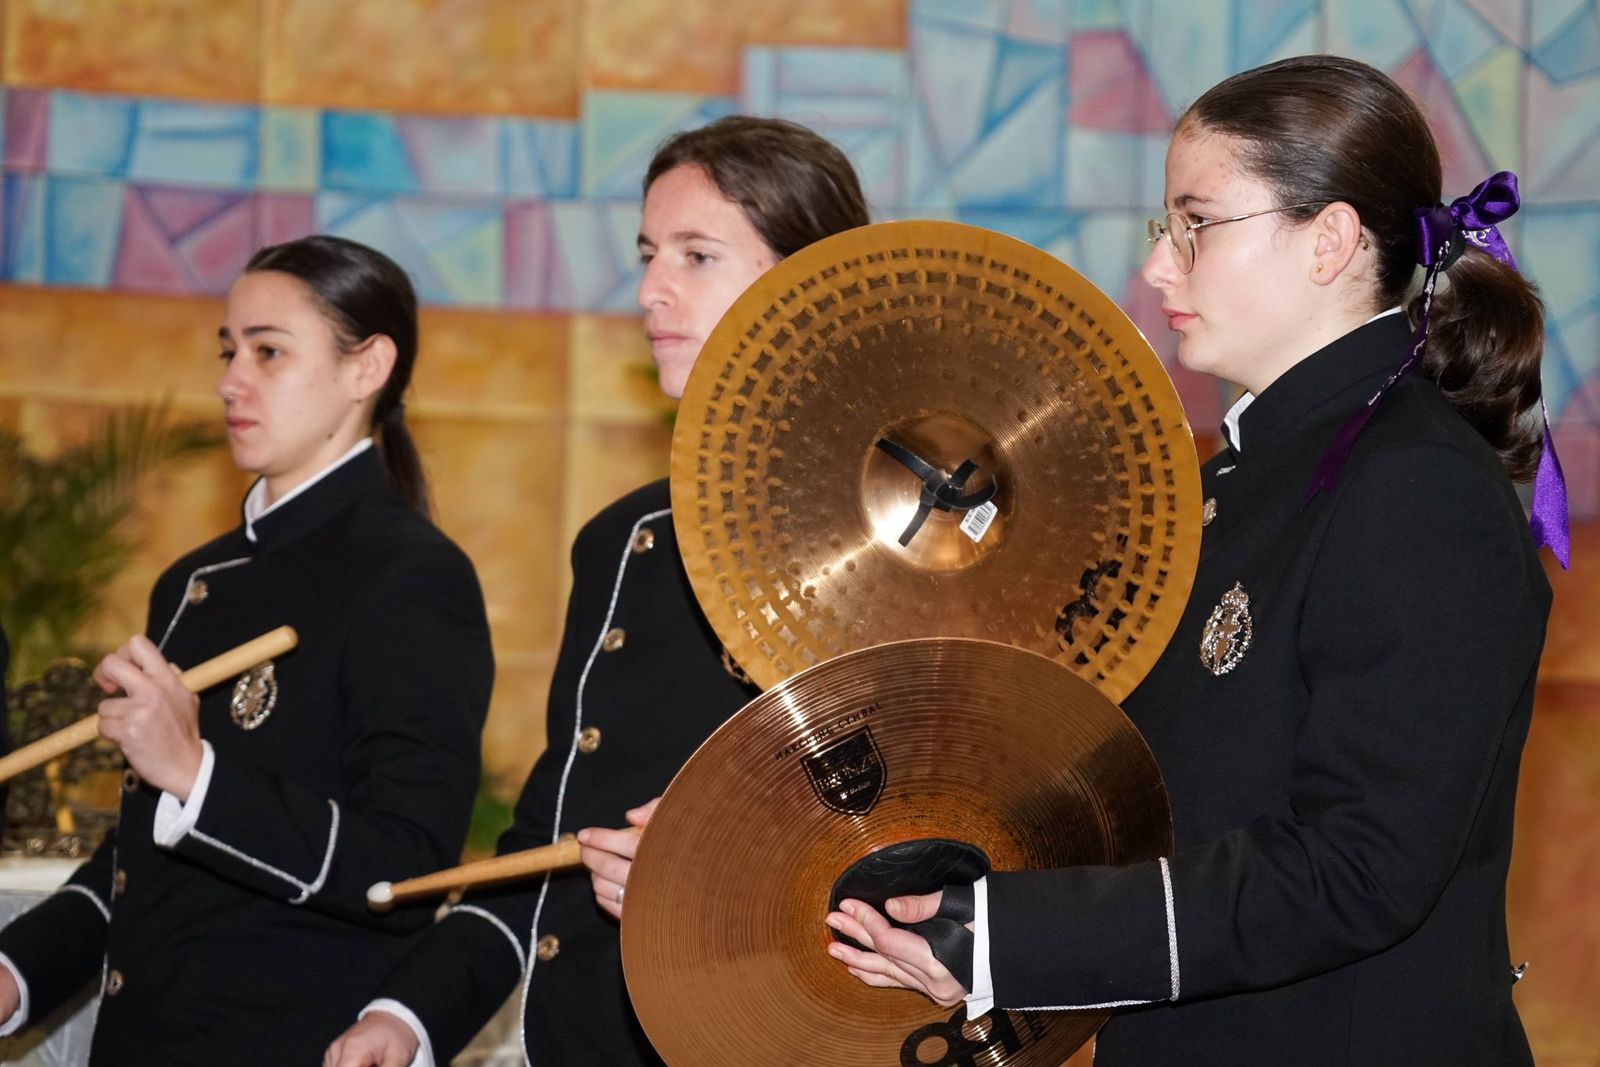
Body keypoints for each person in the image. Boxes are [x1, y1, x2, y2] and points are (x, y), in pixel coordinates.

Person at [827, 54, 1562, 1065]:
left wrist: (1009, 936)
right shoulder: (1229, 483)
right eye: (1160, 230)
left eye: (1196, 224)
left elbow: (1359, 867)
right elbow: (1152, 792)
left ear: (1330, 240)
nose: (1158, 268)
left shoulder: (1417, 489)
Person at [323, 116, 870, 1067]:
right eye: (650, 253)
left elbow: (932, 827)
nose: (652, 289)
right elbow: (550, 843)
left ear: (807, 281)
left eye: (698, 255)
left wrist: (721, 863)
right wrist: (407, 1018)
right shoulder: (625, 540)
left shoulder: (901, 537)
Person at [0, 235, 494, 1064]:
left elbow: (402, 869)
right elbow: (143, 859)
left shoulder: (415, 576)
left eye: (269, 351)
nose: (231, 379)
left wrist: (195, 772)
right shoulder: (193, 581)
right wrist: (18, 969)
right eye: (230, 350)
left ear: (367, 366)